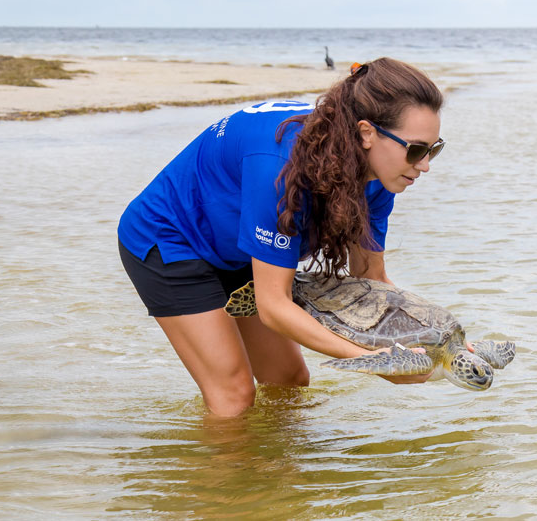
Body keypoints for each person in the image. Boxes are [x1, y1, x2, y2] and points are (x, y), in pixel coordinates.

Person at [117, 57, 446, 417]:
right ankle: (219, 472)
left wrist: (441, 343)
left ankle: (275, 470)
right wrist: (372, 359)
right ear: (367, 133)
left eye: (433, 149)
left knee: (288, 378)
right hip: (170, 238)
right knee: (234, 396)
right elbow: (274, 307)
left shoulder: (379, 176)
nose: (425, 165)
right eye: (416, 150)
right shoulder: (281, 165)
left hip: (242, 248)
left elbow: (370, 279)